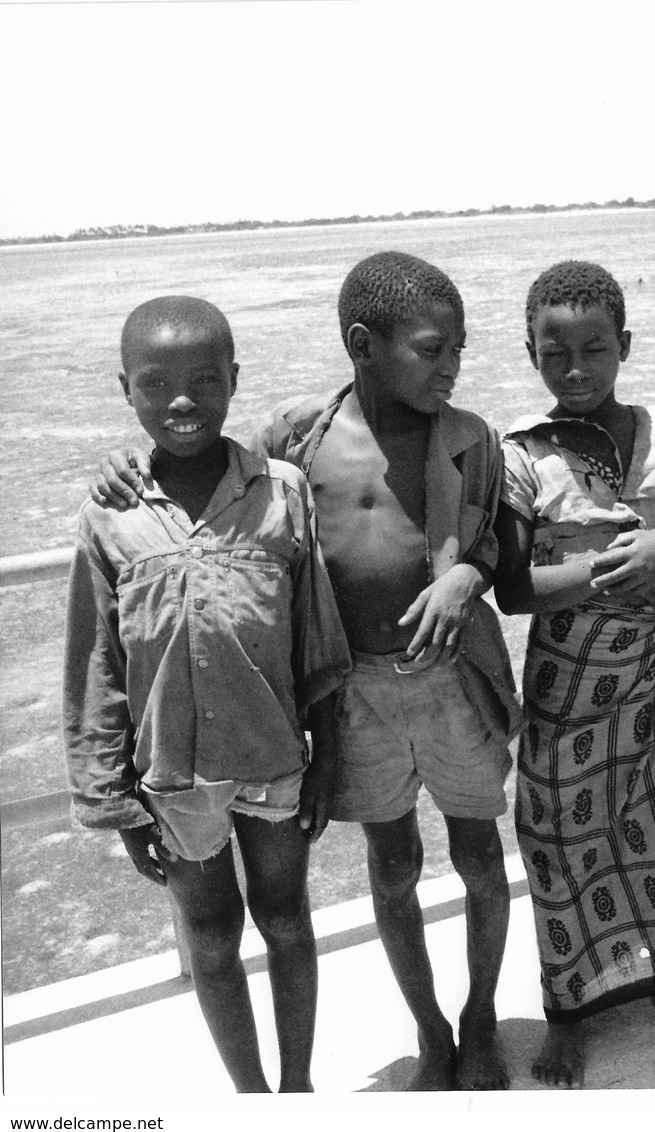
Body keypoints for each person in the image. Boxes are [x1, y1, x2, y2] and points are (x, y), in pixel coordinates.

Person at [87, 253, 520, 1091]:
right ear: (364, 344)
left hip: (449, 683)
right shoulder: (297, 436)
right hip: (353, 693)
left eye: (458, 351)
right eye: (433, 350)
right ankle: (430, 1028)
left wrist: (466, 574)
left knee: (478, 859)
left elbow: (494, 535)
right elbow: (213, 489)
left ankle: (479, 1019)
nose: (450, 367)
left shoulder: (471, 439)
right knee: (392, 868)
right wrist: (123, 469)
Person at [65, 296, 351, 1092]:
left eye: (203, 379)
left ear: (234, 379)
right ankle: (250, 1097)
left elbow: (316, 637)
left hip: (272, 755)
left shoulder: (280, 491)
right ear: (126, 389)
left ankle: (297, 1090)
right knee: (212, 937)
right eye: (156, 384)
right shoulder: (108, 513)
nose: (181, 401)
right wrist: (114, 804)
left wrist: (323, 758)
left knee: (287, 919)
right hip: (172, 776)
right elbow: (95, 667)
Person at [495, 260, 655, 1088]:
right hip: (572, 687)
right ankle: (570, 1012)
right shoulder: (520, 455)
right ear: (530, 355)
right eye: (554, 355)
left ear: (624, 346)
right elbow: (516, 587)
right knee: (561, 845)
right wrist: (610, 568)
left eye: (594, 349)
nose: (575, 370)